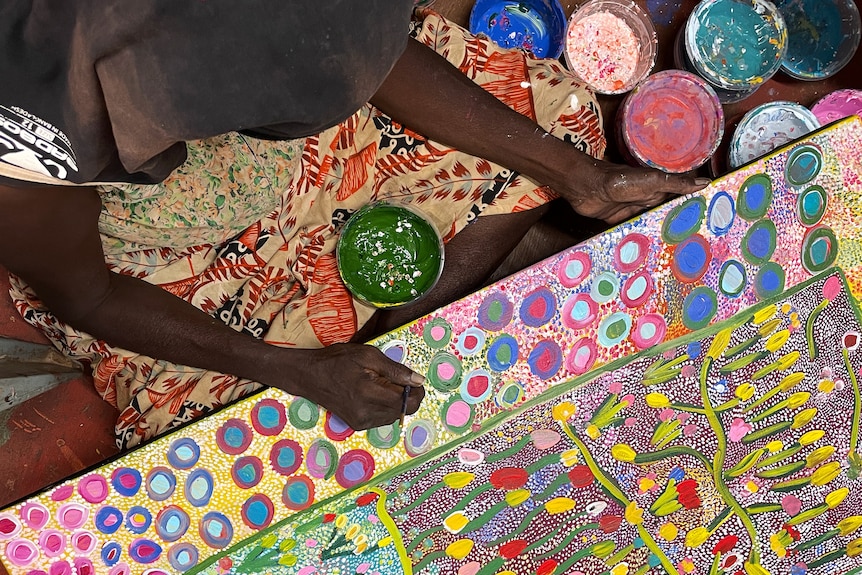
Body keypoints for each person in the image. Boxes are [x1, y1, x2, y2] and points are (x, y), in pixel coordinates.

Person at [0, 1, 707, 449]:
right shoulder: (28, 155)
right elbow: (89, 296)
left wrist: (582, 179)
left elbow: (368, 54)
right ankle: (359, 348)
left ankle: (391, 334)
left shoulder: (257, 36)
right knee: (218, 433)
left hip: (288, 133)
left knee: (563, 124)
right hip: (164, 252)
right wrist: (292, 368)